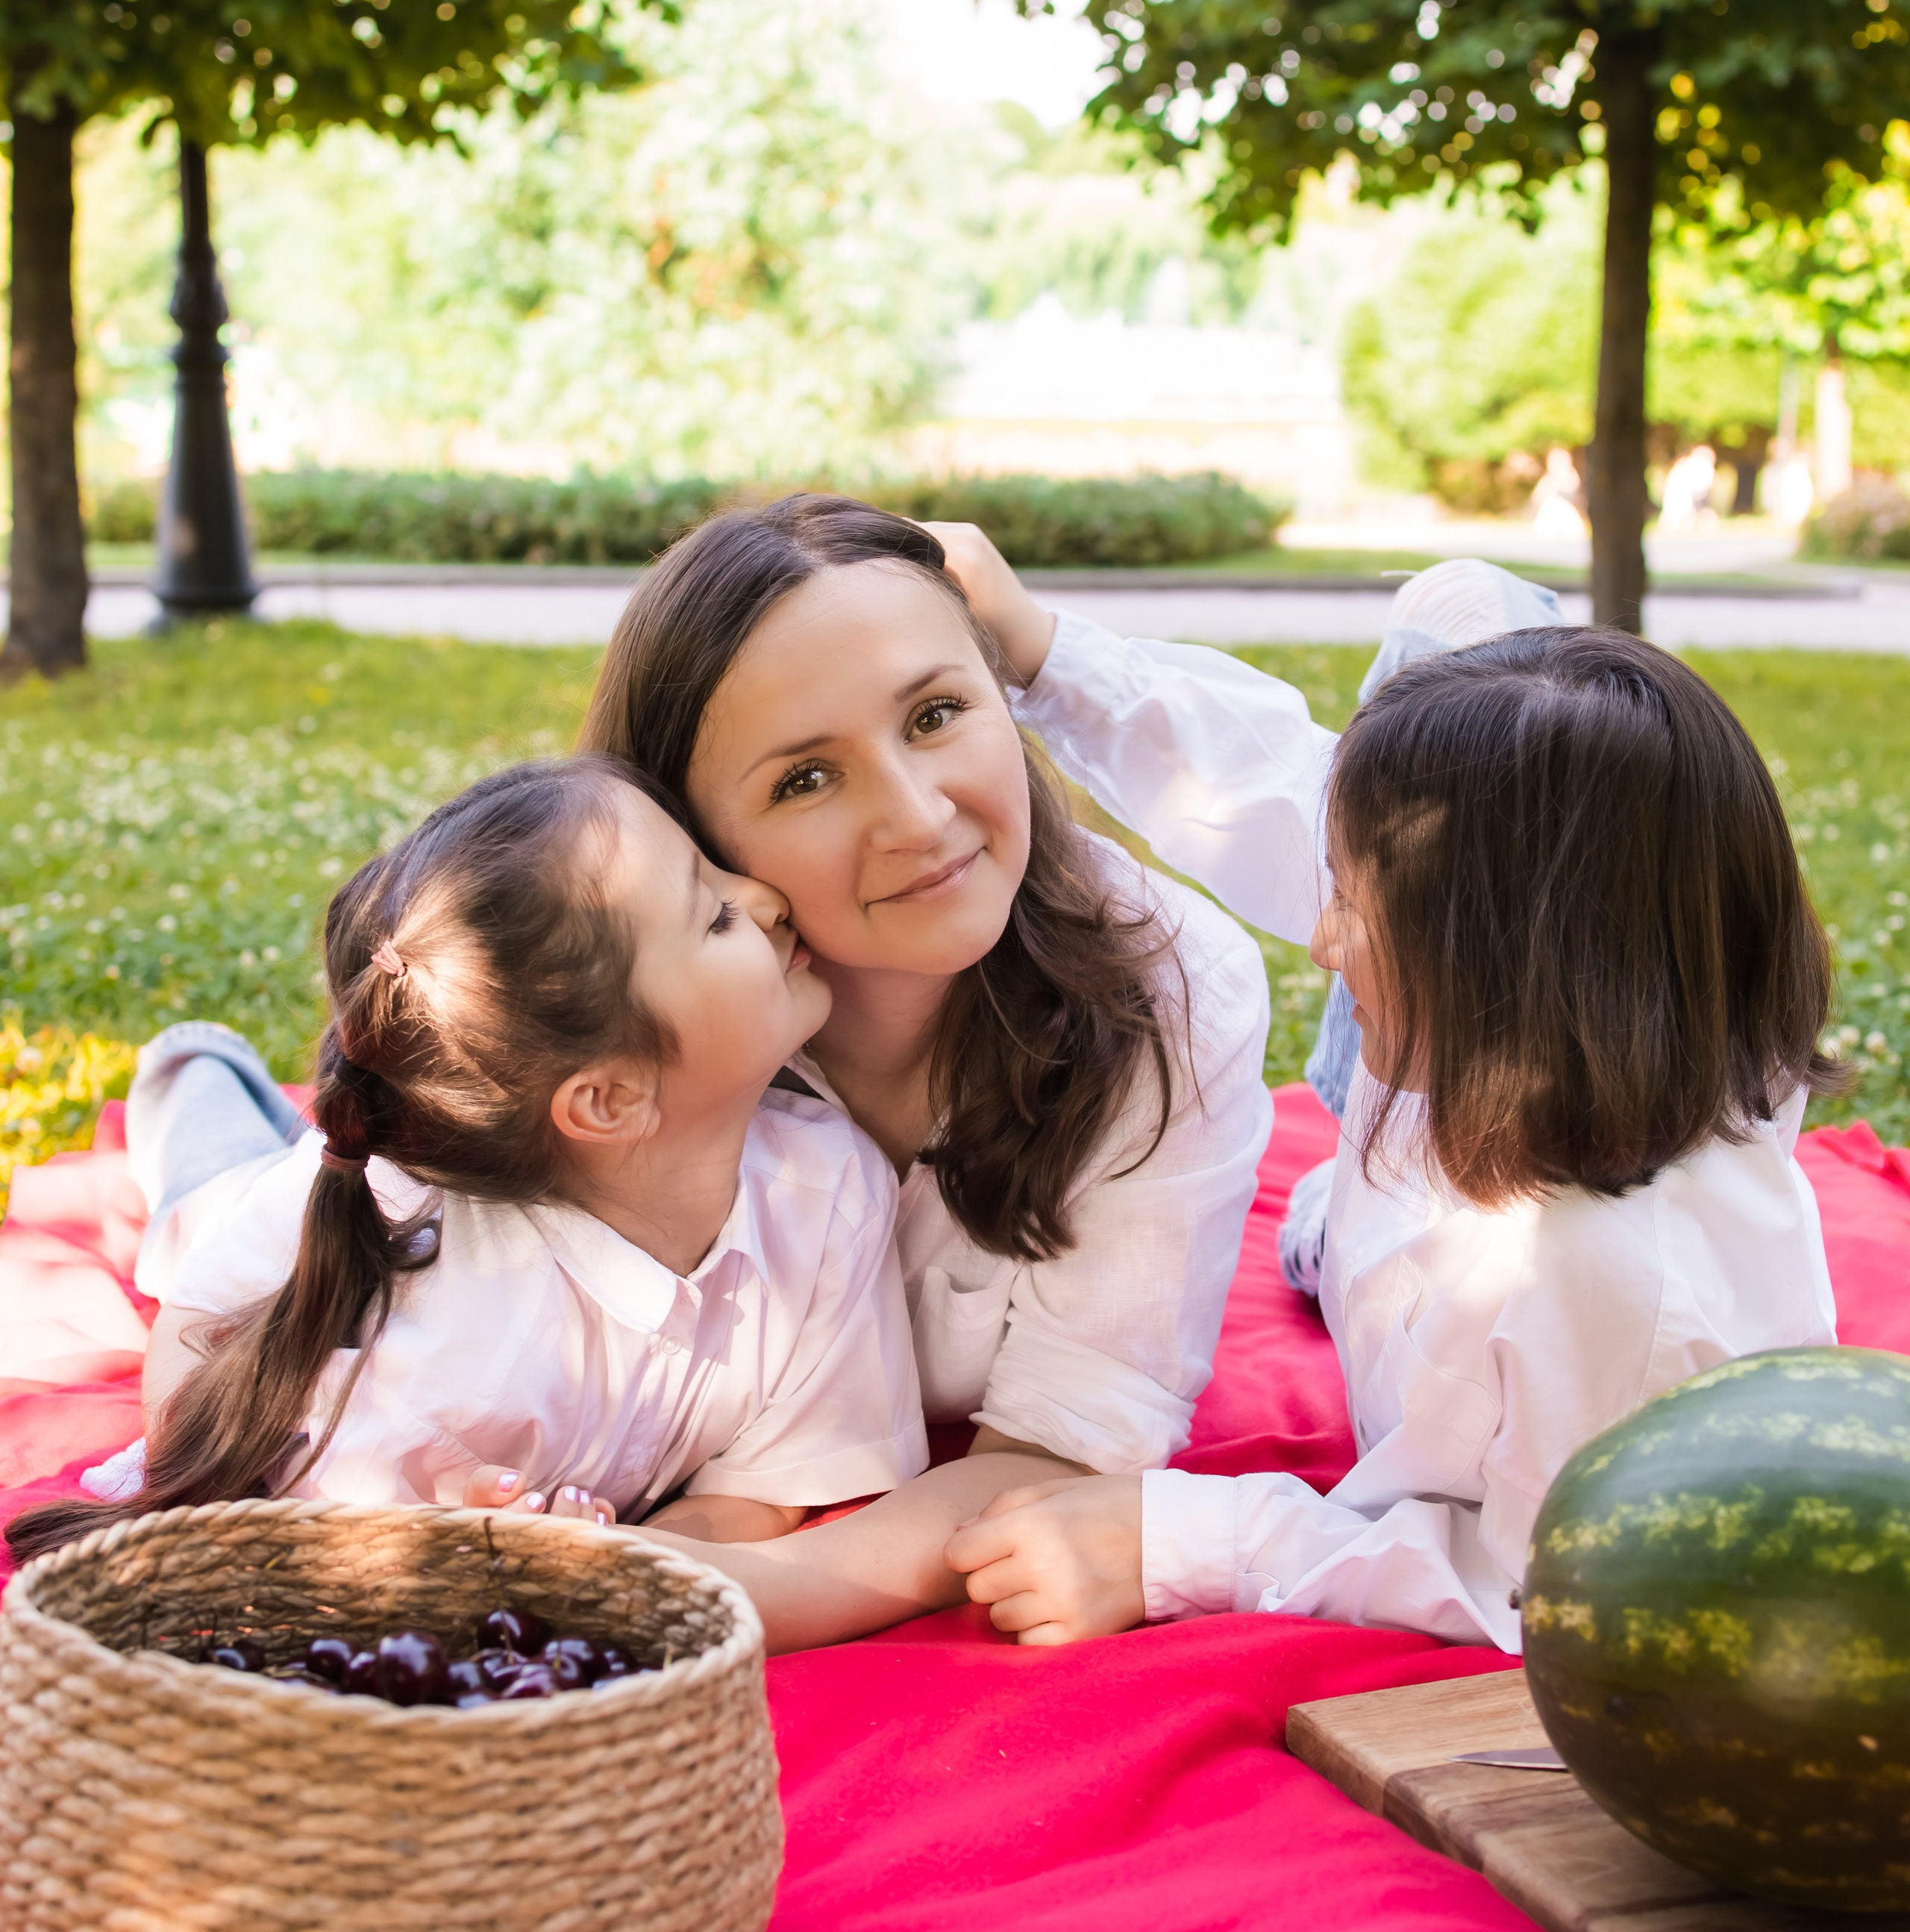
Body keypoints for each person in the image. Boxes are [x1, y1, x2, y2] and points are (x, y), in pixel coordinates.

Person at [927, 537, 1842, 1651]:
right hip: (1393, 1227)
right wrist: (1044, 651)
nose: (1318, 943)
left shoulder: (1612, 1296)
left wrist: (1185, 1542)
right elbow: (1273, 790)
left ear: (1500, 965)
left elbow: (1531, 1588)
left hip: (1457, 1306)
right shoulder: (1536, 1004)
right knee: (1458, 616)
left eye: (1350, 909)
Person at [8, 756, 954, 1566]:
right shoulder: (430, 1348)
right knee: (201, 1193)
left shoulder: (831, 1194)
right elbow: (199, 1355)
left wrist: (618, 1562)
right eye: (714, 915)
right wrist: (434, 1547)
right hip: (256, 1222)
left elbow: (763, 1491)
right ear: (608, 1099)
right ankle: (190, 1066)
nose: (765, 897)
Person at [576, 495, 1274, 1487]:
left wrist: (709, 1573)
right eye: (806, 779)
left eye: (935, 716)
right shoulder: (607, 1037)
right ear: (687, 838)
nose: (917, 818)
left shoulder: (1170, 983)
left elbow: (1059, 1459)